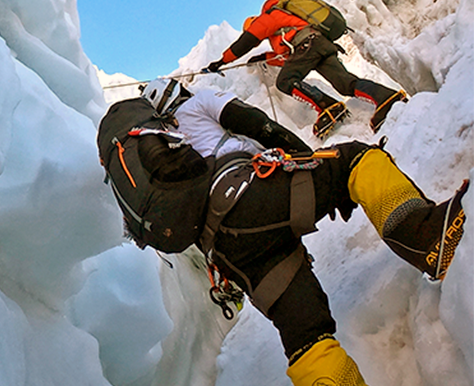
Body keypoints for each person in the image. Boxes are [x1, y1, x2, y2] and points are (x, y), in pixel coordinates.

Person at [140, 78, 467, 386]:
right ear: (180, 89)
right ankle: (426, 237)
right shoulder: (201, 101)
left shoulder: (162, 154)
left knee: (306, 336)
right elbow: (257, 124)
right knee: (354, 159)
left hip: (228, 250)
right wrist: (307, 160)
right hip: (251, 195)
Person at [205, 0, 407, 136]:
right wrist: (265, 57)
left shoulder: (268, 18)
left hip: (306, 46)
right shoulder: (287, 24)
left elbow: (246, 42)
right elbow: (289, 59)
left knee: (285, 81)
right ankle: (386, 97)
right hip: (319, 44)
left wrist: (221, 62)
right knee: (346, 83)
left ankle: (329, 108)